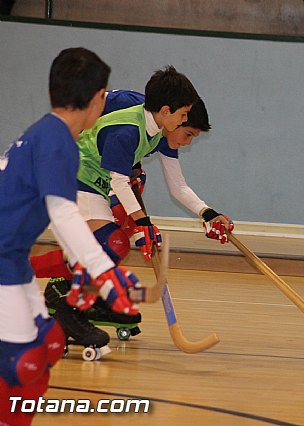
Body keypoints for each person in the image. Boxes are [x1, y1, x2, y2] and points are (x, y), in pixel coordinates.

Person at [30, 72, 232, 346]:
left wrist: (207, 213)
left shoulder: (161, 130)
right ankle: (67, 304)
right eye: (187, 130)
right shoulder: (127, 123)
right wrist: (143, 223)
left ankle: (78, 292)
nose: (188, 140)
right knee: (109, 243)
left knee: (116, 243)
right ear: (167, 112)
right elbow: (119, 179)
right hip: (71, 174)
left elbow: (178, 186)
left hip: (96, 180)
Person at [0, 47, 141, 426]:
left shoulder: (48, 133)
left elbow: (48, 208)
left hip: (10, 261)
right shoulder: (57, 140)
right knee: (21, 363)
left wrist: (81, 266)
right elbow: (62, 213)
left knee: (47, 346)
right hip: (2, 267)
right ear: (98, 98)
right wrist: (104, 273)